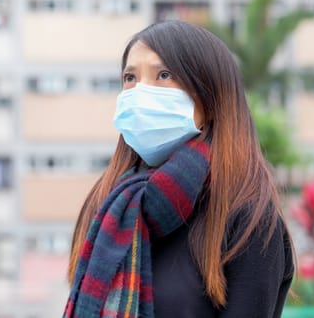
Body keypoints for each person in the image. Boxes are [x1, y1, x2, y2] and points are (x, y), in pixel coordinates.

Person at [63, 20, 294, 318]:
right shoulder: (110, 206)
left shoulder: (247, 218)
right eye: (130, 78)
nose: (141, 92)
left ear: (209, 96)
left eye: (164, 75)